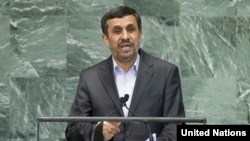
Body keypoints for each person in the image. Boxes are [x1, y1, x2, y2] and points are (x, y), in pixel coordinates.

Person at [65, 5, 185, 141]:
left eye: (131, 29)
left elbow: (176, 126)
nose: (125, 36)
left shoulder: (166, 73)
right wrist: (99, 131)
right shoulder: (90, 78)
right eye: (117, 31)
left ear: (140, 34)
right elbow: (73, 130)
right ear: (106, 39)